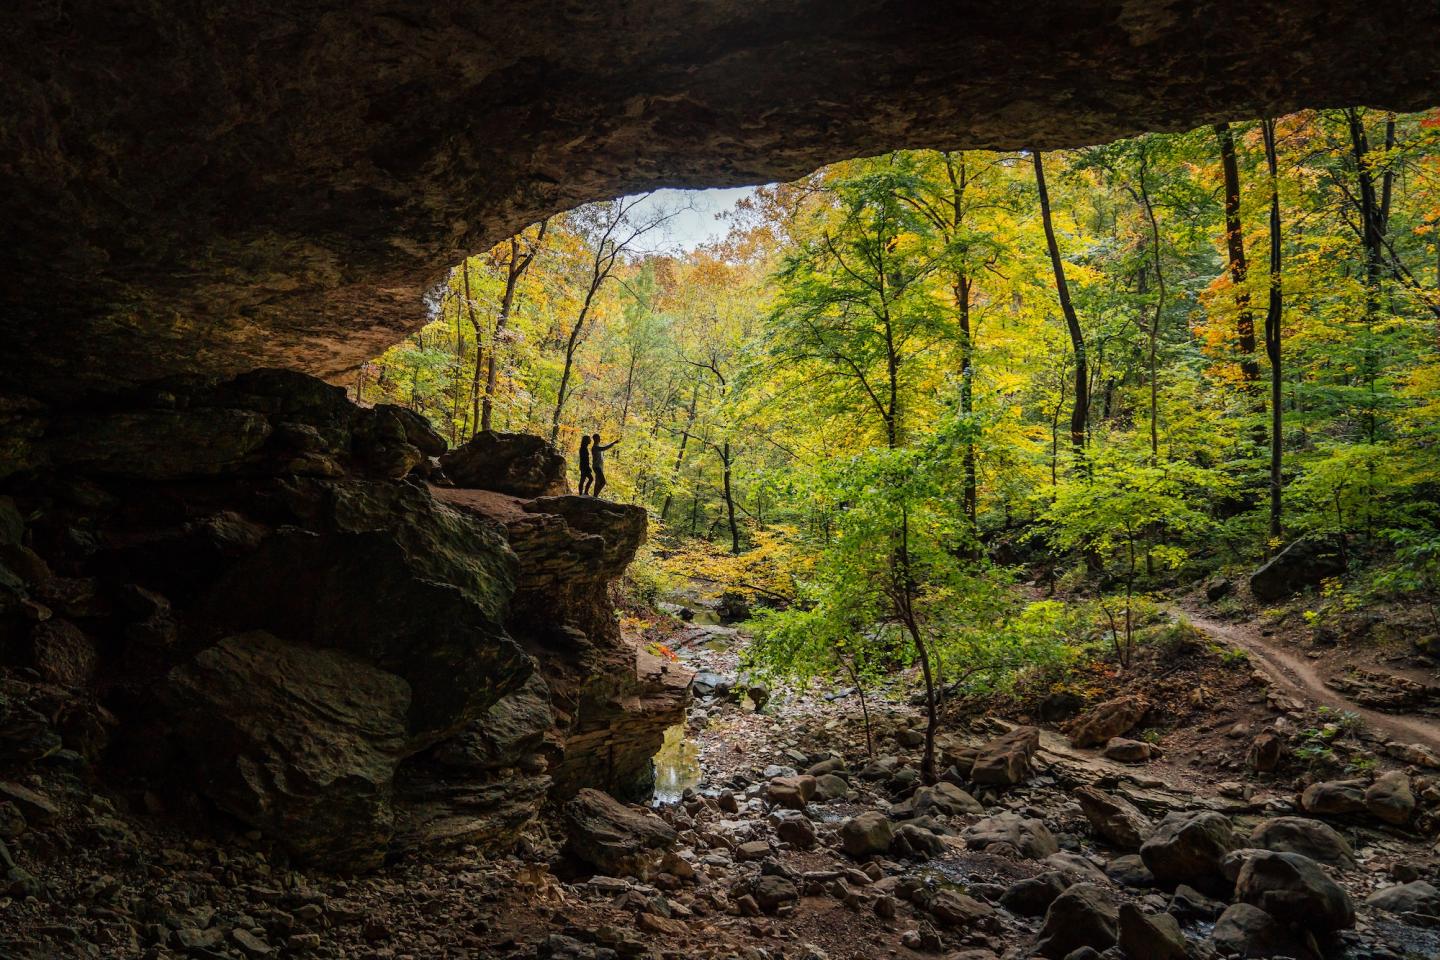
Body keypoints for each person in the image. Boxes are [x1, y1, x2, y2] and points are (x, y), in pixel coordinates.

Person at [590, 432, 619, 498]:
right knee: (603, 482)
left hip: (599, 467)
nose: (599, 439)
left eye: (599, 438)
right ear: (595, 439)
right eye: (598, 438)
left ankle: (595, 496)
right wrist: (613, 443)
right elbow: (604, 448)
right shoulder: (595, 447)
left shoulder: (597, 447)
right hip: (597, 467)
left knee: (597, 481)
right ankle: (595, 495)